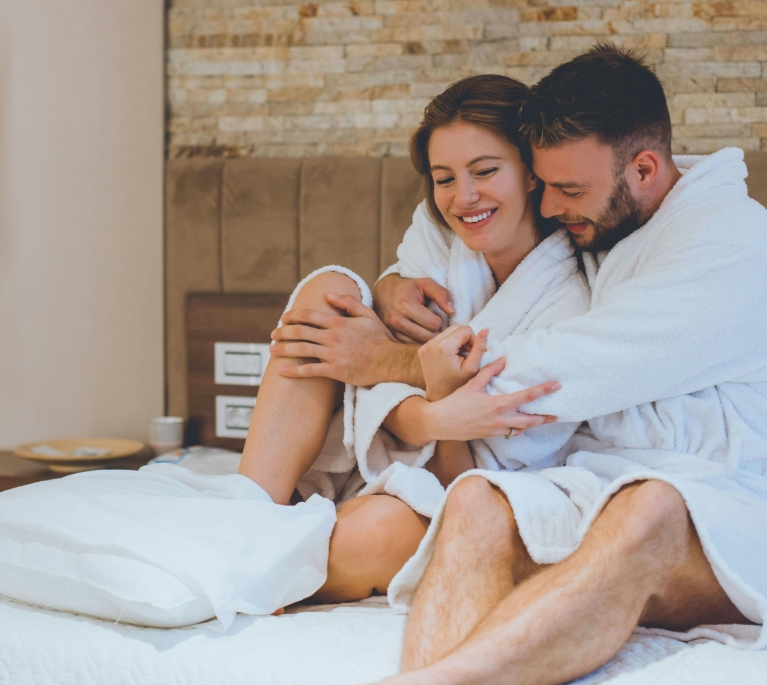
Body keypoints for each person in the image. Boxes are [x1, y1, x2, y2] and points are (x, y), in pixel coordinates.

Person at [278, 44, 767, 685]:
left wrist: (384, 364)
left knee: (651, 506)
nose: (551, 208)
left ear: (645, 171)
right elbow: (449, 220)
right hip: (589, 485)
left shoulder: (735, 248)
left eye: (565, 189)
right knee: (474, 499)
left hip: (719, 504)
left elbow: (566, 365)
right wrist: (391, 282)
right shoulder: (616, 223)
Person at [237, 74, 587, 604]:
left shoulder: (569, 299)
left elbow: (471, 483)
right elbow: (373, 362)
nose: (463, 197)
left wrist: (434, 407)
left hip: (449, 488)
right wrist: (427, 406)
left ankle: (263, 565)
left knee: (375, 532)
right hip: (378, 448)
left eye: (486, 171)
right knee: (328, 290)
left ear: (532, 172)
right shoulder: (439, 233)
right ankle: (248, 515)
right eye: (444, 178)